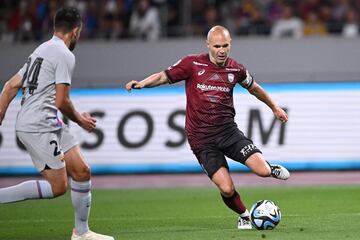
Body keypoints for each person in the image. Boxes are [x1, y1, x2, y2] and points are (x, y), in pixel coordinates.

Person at [126, 25, 290, 230]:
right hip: (202, 141)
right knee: (227, 188)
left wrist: (274, 107)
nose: (222, 50)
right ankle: (244, 215)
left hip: (228, 132)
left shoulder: (236, 69)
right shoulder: (192, 64)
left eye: (226, 46)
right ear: (208, 45)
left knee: (263, 172)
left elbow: (254, 88)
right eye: (217, 46)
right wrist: (142, 84)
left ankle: (270, 168)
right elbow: (162, 76)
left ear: (230, 45)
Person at [0, 7, 114, 240]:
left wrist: (1, 112)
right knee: (58, 187)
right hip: (38, 124)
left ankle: (81, 233)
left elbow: (11, 86)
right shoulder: (64, 54)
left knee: (82, 171)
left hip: (49, 122)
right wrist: (81, 120)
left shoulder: (41, 50)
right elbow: (62, 101)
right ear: (76, 31)